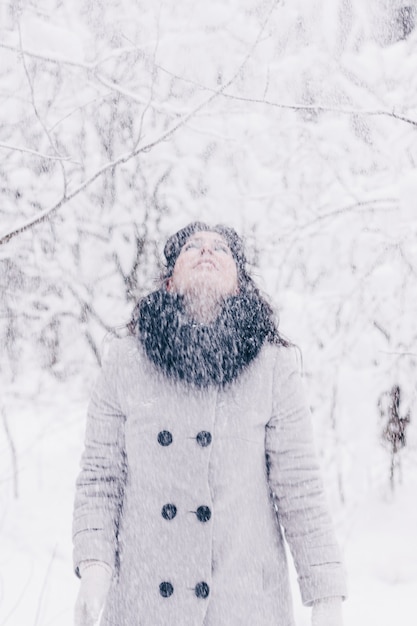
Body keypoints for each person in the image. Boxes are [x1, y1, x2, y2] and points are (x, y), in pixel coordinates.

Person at [72, 222, 347, 626]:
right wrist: (94, 563)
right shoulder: (127, 361)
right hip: (144, 603)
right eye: (192, 247)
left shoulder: (272, 366)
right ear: (169, 281)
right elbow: (100, 476)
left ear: (238, 283)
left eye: (221, 248)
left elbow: (299, 487)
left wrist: (325, 593)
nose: (206, 251)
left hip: (243, 603)